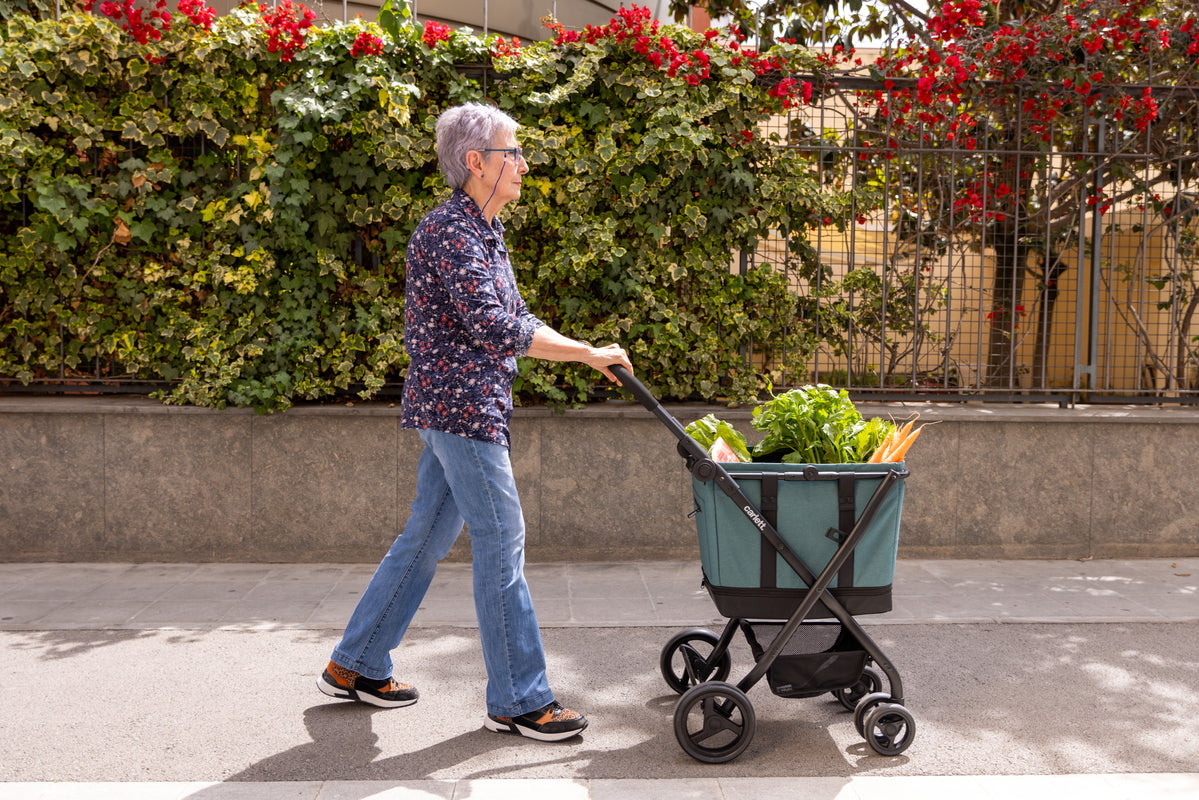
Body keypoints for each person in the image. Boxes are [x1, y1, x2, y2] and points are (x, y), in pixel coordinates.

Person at [317, 102, 633, 743]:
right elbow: (495, 328)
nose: (522, 164)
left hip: (462, 406)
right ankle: (520, 699)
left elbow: (519, 316)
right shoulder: (450, 233)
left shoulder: (485, 233)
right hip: (460, 410)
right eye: (511, 153)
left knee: (427, 536)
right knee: (502, 542)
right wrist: (584, 353)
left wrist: (587, 352)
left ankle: (355, 665)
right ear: (475, 162)